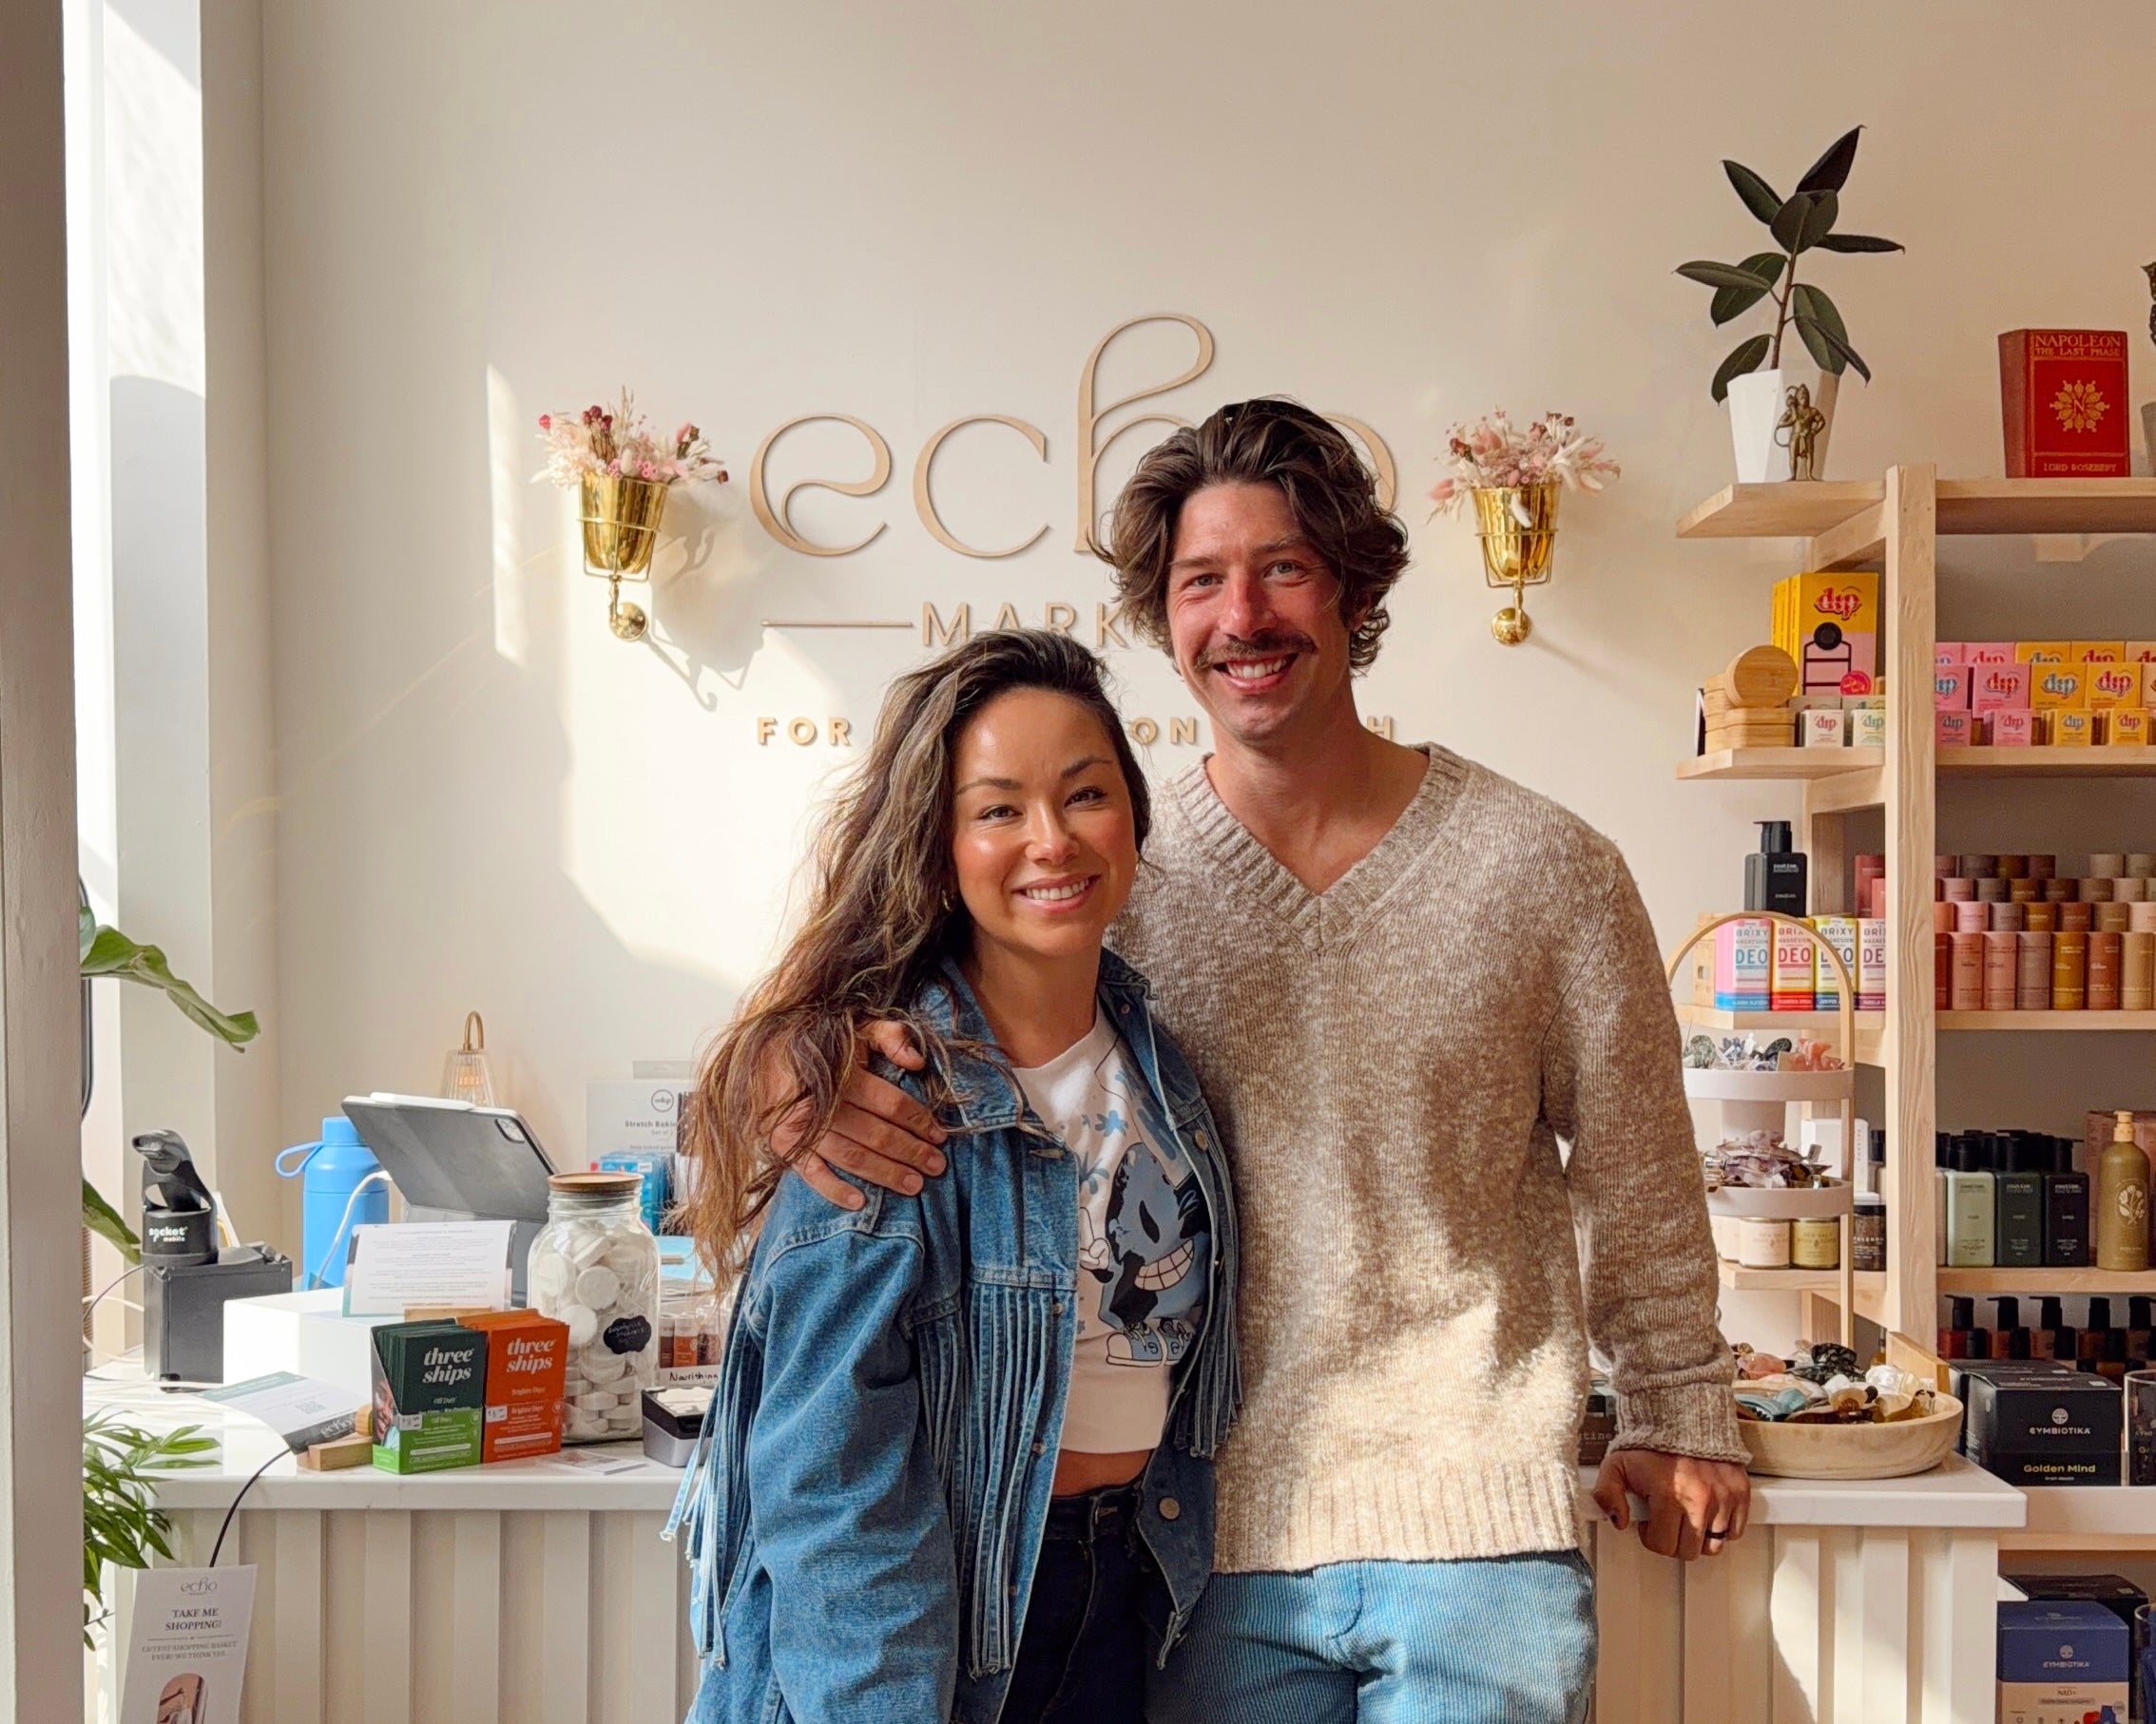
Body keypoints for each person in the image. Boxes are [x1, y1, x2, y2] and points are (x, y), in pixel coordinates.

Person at [781, 398, 1751, 1722]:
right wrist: (796, 1063)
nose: (1243, 616)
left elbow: (1638, 1160)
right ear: (1164, 617)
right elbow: (902, 986)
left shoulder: (1546, 867)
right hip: (1202, 1555)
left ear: (1355, 587)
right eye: (1200, 581)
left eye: (1283, 567)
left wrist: (1679, 1403)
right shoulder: (1115, 873)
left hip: (1480, 1540)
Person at [667, 629, 1242, 1724]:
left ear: (1134, 815)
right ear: (939, 847)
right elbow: (836, 1487)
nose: (1050, 840)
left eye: (1085, 793)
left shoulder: (1163, 1066)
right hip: (944, 1637)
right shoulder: (882, 1099)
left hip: (1127, 1605)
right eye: (997, 809)